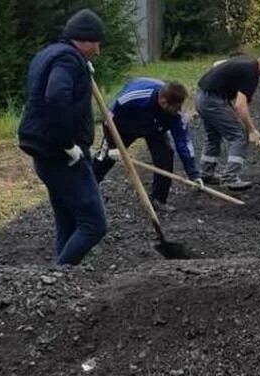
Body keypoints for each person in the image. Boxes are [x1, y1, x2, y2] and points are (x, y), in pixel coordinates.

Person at [18, 9, 108, 266]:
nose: (98, 50)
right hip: (61, 154)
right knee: (94, 224)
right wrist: (69, 144)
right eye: (97, 43)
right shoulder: (68, 60)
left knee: (68, 223)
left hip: (43, 150)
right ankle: (58, 274)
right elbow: (56, 96)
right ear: (86, 40)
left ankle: (58, 288)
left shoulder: (49, 54)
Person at [92, 78, 201, 213]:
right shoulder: (133, 98)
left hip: (155, 128)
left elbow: (183, 142)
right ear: (163, 101)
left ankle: (158, 199)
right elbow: (108, 118)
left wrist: (193, 174)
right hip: (124, 125)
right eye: (174, 108)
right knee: (105, 159)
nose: (177, 111)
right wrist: (112, 145)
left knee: (165, 156)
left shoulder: (176, 114)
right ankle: (87, 191)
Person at [195, 48, 260, 191]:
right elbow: (241, 105)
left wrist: (233, 111)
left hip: (201, 96)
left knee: (213, 137)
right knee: (239, 136)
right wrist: (251, 130)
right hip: (213, 101)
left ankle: (206, 174)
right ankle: (230, 178)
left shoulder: (245, 65)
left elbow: (218, 65)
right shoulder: (251, 73)